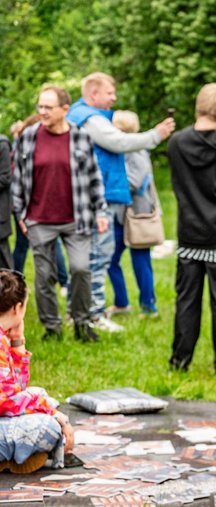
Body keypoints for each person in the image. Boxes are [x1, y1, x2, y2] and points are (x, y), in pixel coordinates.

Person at [65, 72, 175, 333]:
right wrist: (155, 135)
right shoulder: (89, 118)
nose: (114, 98)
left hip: (92, 196)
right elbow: (118, 141)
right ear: (93, 94)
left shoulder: (83, 116)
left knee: (90, 257)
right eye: (109, 92)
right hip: (98, 199)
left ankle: (79, 310)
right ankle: (95, 313)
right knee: (98, 257)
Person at [12, 87, 109, 342]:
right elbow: (18, 178)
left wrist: (100, 210)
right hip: (39, 219)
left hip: (76, 218)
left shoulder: (81, 138)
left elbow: (94, 178)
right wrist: (21, 214)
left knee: (80, 269)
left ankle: (81, 323)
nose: (42, 112)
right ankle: (52, 328)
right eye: (40, 107)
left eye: (48, 107)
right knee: (44, 277)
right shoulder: (29, 137)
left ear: (65, 110)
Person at [168, 83, 216, 376]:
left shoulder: (176, 143)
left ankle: (179, 361)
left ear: (198, 106)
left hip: (189, 233)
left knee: (186, 300)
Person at [0, 270, 74, 472]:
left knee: (39, 394)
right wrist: (55, 415)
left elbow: (17, 389)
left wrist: (18, 342)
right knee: (48, 427)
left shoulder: (4, 338)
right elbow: (5, 402)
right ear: (17, 308)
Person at [107, 111, 159, 318]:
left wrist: (109, 184)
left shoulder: (136, 150)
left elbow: (135, 181)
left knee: (141, 260)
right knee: (110, 259)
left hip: (138, 215)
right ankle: (122, 303)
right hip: (121, 215)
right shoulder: (123, 151)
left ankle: (149, 307)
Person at [10, 117, 69, 295]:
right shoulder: (26, 147)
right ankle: (16, 284)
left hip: (36, 206)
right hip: (32, 207)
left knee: (24, 246)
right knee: (45, 245)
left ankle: (14, 282)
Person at [0, 131, 11, 270]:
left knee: (3, 259)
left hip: (0, 214)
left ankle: (13, 291)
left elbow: (5, 178)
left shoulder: (2, 144)